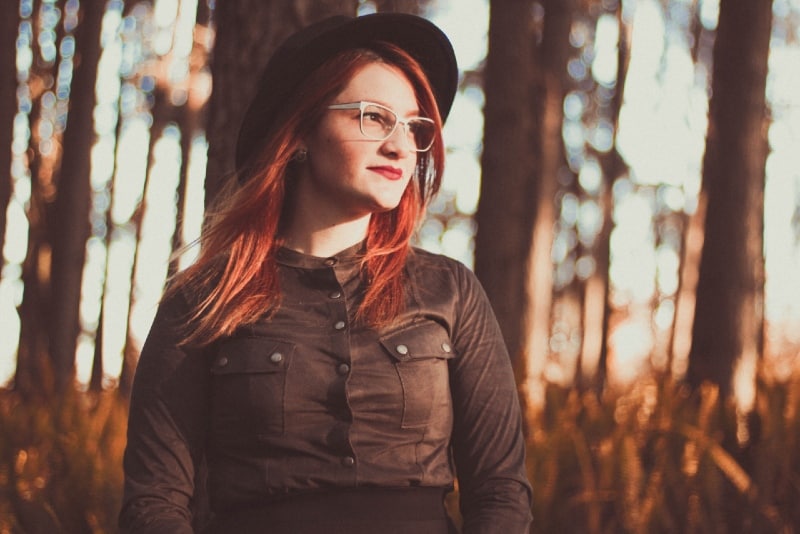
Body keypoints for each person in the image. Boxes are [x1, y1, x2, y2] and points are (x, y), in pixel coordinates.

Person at [119, 12, 533, 534]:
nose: (400, 146)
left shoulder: (450, 291)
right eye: (373, 117)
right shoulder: (205, 297)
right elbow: (153, 503)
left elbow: (500, 490)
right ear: (300, 134)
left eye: (413, 126)